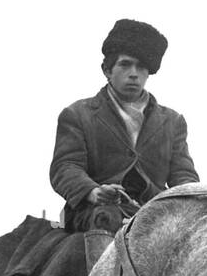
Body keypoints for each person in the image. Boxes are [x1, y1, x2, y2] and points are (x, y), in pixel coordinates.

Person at [49, 18, 199, 232]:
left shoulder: (173, 122)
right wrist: (93, 191)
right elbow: (65, 167)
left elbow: (183, 174)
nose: (134, 74)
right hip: (96, 211)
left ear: (149, 72)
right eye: (125, 64)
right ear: (107, 70)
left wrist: (190, 199)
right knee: (106, 218)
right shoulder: (77, 114)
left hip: (154, 210)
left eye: (141, 67)